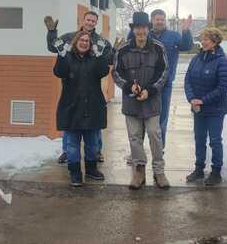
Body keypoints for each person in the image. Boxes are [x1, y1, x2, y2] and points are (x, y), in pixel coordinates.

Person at [45, 10, 112, 164]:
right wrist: (51, 33)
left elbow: (109, 59)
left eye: (93, 21)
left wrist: (106, 53)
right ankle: (67, 151)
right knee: (70, 120)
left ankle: (97, 152)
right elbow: (53, 47)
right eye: (88, 20)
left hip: (91, 86)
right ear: (83, 20)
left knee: (94, 120)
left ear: (96, 23)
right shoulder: (69, 37)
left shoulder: (101, 41)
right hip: (72, 85)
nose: (90, 22)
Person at [113, 12, 170, 190]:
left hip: (152, 101)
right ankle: (139, 171)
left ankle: (159, 171)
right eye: (137, 27)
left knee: (155, 135)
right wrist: (129, 86)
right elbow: (116, 73)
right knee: (135, 138)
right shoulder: (123, 50)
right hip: (131, 103)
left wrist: (150, 90)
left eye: (144, 27)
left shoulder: (158, 48)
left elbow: (164, 72)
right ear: (134, 29)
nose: (141, 31)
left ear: (148, 28)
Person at [53, 31, 110, 187]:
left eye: (87, 40)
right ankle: (75, 172)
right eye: (81, 40)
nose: (84, 42)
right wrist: (62, 56)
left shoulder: (94, 58)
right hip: (71, 108)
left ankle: (91, 169)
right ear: (76, 41)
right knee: (72, 145)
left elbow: (103, 71)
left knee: (92, 144)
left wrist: (99, 55)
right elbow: (59, 72)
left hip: (92, 108)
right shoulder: (68, 57)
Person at [184, 28, 227, 186]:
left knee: (215, 140)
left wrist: (202, 100)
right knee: (199, 139)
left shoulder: (221, 60)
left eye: (207, 39)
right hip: (198, 108)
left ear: (215, 41)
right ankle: (199, 169)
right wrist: (192, 98)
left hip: (215, 110)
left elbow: (223, 87)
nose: (203, 41)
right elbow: (187, 79)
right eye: (202, 38)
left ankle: (216, 171)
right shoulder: (197, 58)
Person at [147, 9, 193, 146]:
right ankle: (138, 151)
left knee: (162, 116)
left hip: (165, 83)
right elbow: (131, 40)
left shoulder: (173, 35)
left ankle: (160, 148)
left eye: (162, 19)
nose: (160, 21)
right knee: (143, 117)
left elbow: (186, 46)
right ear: (152, 20)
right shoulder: (145, 34)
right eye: (157, 19)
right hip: (146, 83)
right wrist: (138, 23)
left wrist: (185, 31)